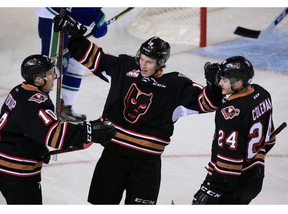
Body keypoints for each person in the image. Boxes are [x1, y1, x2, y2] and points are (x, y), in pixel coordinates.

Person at [53, 15, 223, 205]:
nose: (143, 64)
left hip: (146, 166)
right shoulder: (124, 68)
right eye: (141, 59)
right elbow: (94, 58)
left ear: (161, 63)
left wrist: (214, 86)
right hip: (112, 157)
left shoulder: (175, 86)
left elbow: (207, 103)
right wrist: (74, 35)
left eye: (149, 62)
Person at [0, 54, 115, 204]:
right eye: (49, 73)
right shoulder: (35, 103)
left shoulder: (19, 90)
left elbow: (21, 128)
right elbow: (55, 134)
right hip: (17, 172)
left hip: (7, 163)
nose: (54, 76)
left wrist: (36, 148)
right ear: (38, 79)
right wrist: (88, 131)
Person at [192, 56, 275, 204]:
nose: (219, 83)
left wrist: (211, 187)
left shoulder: (229, 114)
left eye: (224, 80)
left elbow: (228, 164)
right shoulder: (263, 94)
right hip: (256, 177)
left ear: (238, 82)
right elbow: (270, 140)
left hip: (233, 184)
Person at [36, 7, 108, 122]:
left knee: (77, 61)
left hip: (72, 21)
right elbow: (81, 9)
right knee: (51, 69)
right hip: (55, 19)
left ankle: (65, 108)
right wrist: (96, 20)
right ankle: (35, 110)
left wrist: (98, 16)